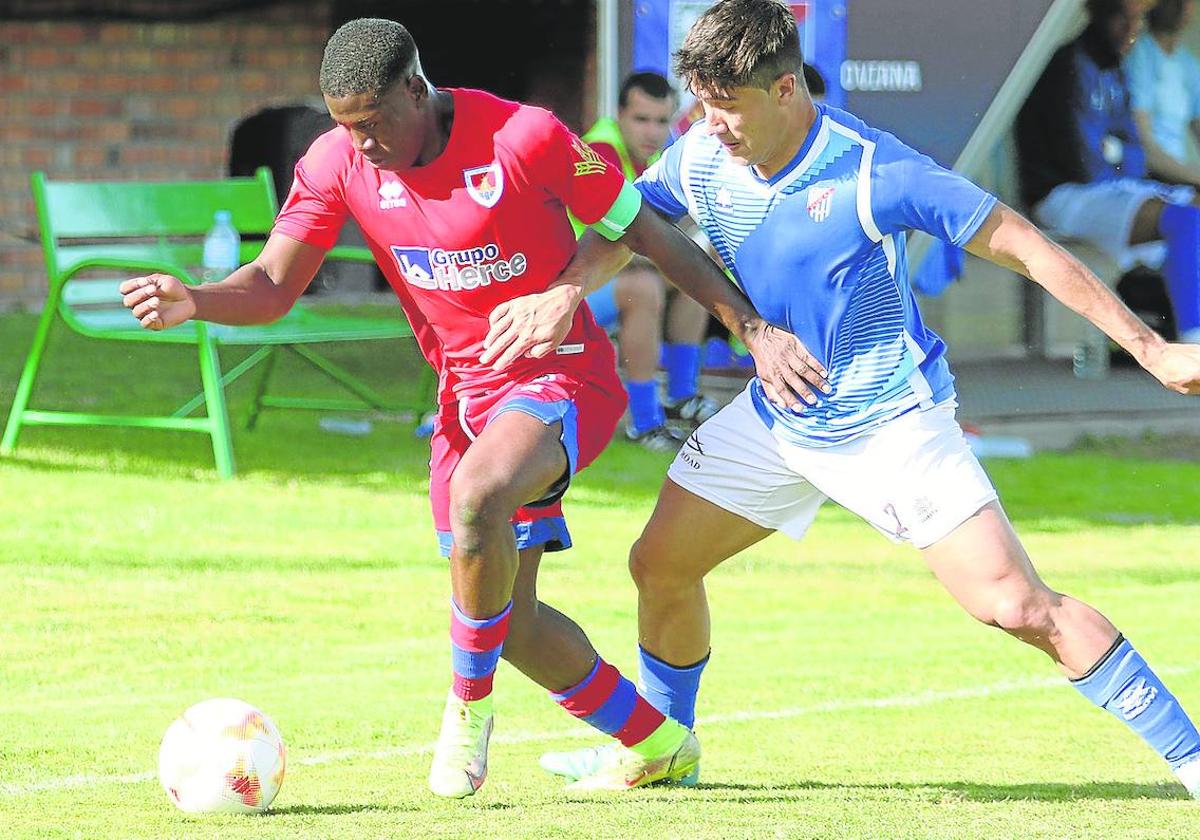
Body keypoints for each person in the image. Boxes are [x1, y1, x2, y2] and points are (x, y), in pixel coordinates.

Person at [484, 0, 1200, 797]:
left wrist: (1150, 347)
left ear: (786, 89)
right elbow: (631, 225)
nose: (709, 126)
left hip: (889, 424)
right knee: (660, 565)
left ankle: (1192, 758)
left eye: (727, 108)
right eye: (703, 107)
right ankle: (664, 749)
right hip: (779, 413)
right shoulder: (700, 154)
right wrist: (563, 292)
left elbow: (1027, 247)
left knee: (1018, 606)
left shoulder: (874, 170)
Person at [119, 17, 825, 798]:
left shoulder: (523, 137)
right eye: (346, 126)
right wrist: (196, 298)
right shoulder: (336, 162)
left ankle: (465, 709)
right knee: (509, 623)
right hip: (465, 397)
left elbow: (652, 236)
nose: (362, 143)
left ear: (416, 90)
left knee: (479, 494)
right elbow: (275, 284)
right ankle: (660, 743)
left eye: (375, 121)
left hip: (563, 376)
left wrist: (753, 329)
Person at [1017, 0, 1200, 343]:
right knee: (1186, 219)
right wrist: (1119, 159)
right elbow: (1084, 162)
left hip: (1108, 188)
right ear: (1101, 16)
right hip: (1063, 195)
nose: (1130, 31)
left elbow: (1130, 149)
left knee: (1193, 209)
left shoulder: (1115, 67)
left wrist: (1117, 156)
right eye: (1122, 21)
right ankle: (1194, 342)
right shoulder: (1070, 63)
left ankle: (1181, 326)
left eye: (1136, 22)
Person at [575, 72, 719, 450]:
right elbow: (623, 246)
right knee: (642, 288)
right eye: (641, 119)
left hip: (602, 280)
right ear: (618, 115)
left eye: (661, 121)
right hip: (564, 294)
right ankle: (644, 421)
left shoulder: (656, 156)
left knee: (696, 276)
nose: (652, 132)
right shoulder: (600, 154)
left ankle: (681, 398)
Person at [1126, 0, 1200, 187]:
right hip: (1149, 176)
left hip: (1179, 175)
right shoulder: (1140, 54)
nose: (1183, 7)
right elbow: (1144, 146)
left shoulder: (1187, 63)